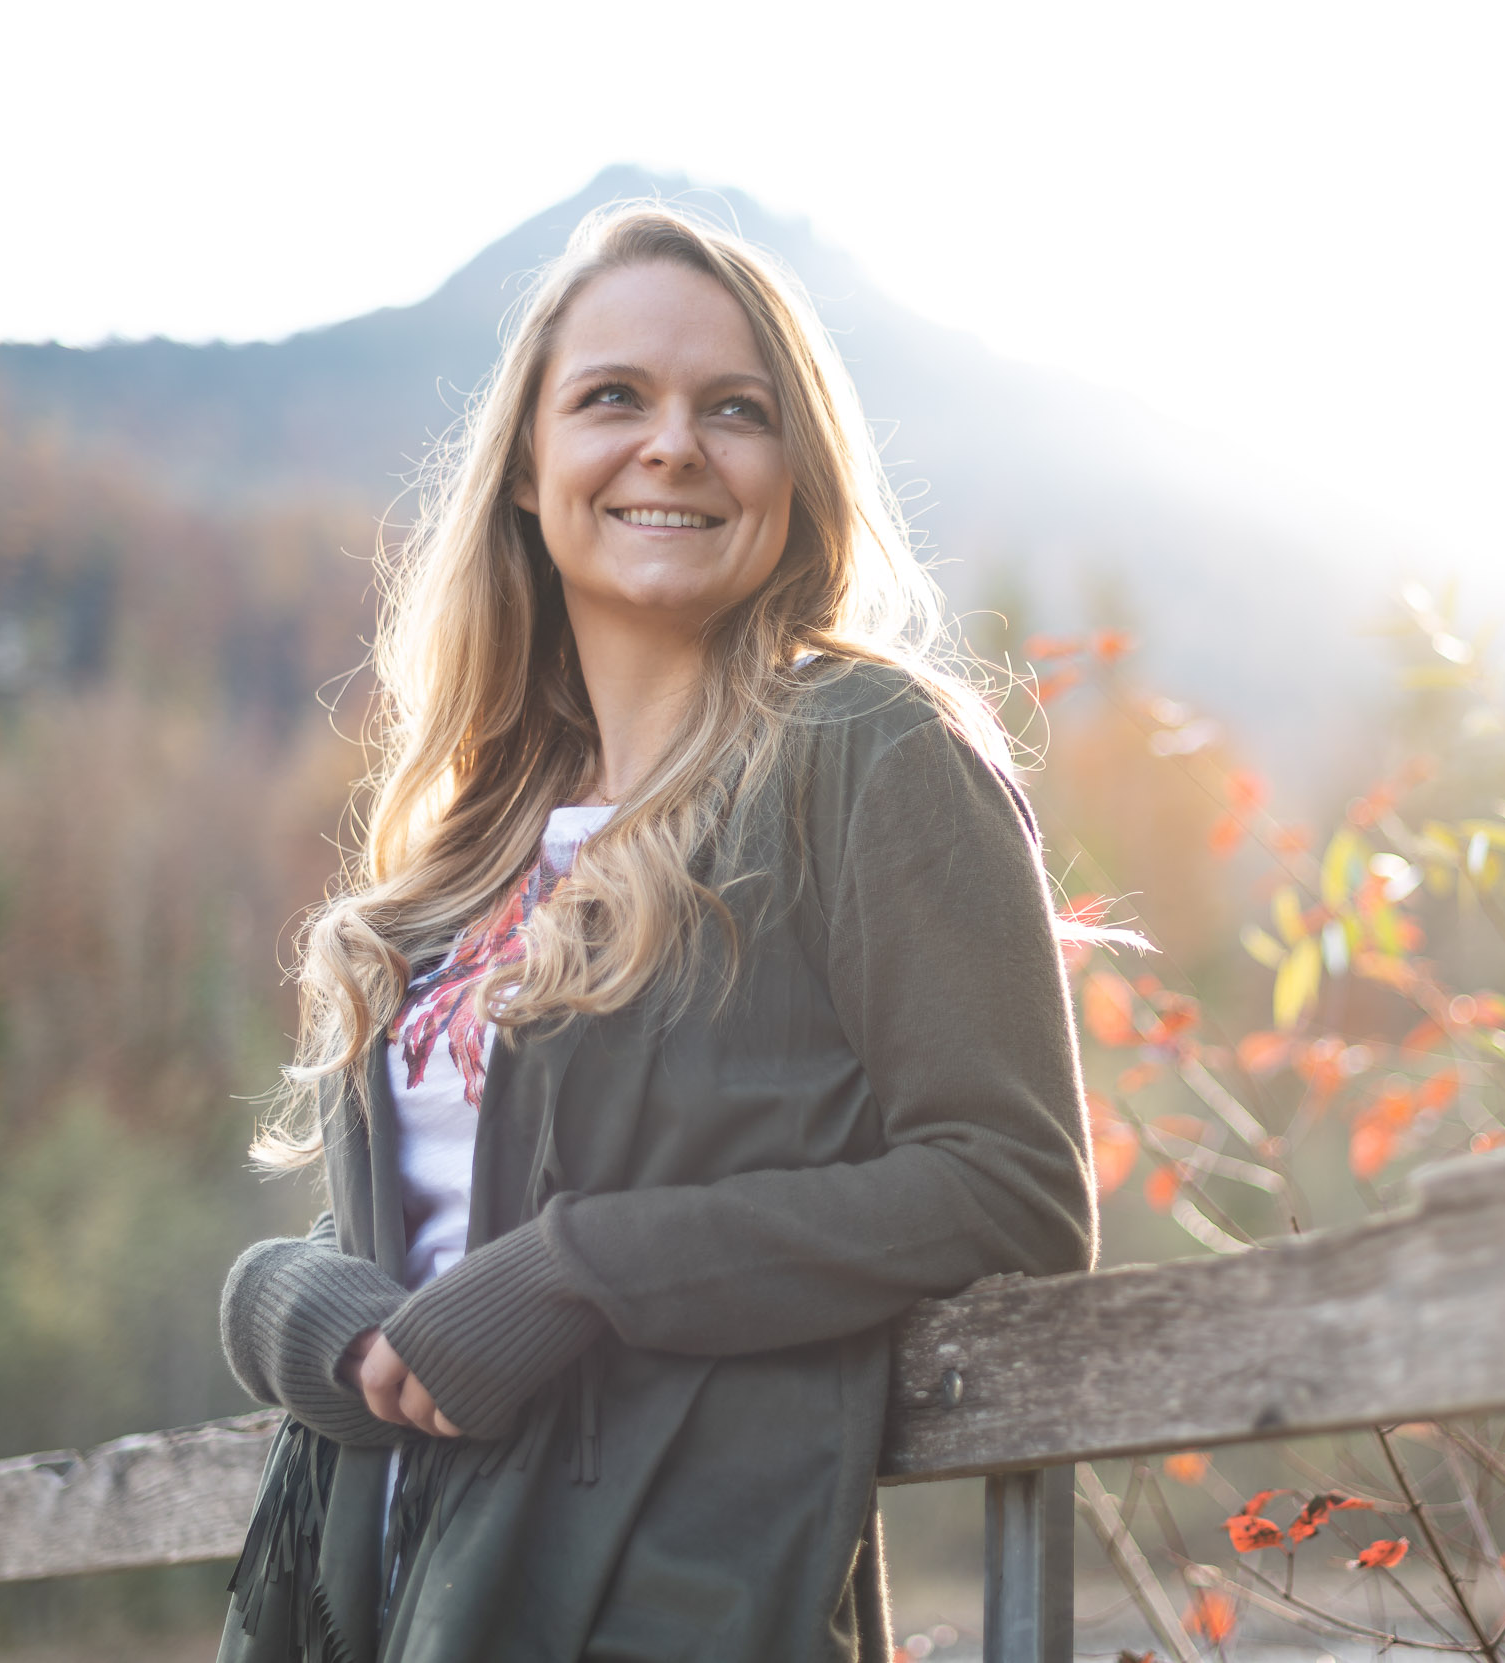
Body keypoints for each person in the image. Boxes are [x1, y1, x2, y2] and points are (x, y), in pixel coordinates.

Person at [213, 201, 1097, 1663]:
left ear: (795, 477)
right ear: (525, 466)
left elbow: (1011, 1193)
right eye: (613, 397)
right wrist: (292, 1298)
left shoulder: (860, 749)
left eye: (734, 410)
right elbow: (442, 1232)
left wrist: (583, 1273)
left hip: (670, 1606)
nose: (673, 444)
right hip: (380, 1610)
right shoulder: (474, 849)